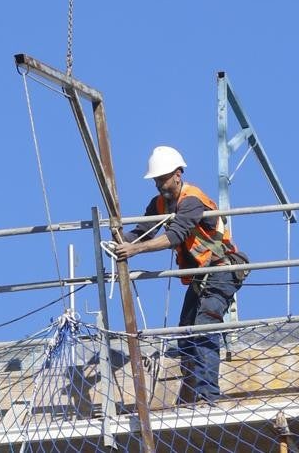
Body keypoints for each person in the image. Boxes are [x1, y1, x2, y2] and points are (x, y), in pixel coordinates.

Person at [112, 145, 246, 404]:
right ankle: (191, 395)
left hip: (223, 269)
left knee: (205, 326)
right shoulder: (159, 204)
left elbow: (175, 236)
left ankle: (209, 397)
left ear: (178, 173)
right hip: (200, 277)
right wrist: (118, 240)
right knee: (186, 335)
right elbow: (143, 231)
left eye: (163, 178)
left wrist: (134, 249)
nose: (159, 184)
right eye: (156, 180)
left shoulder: (192, 200)